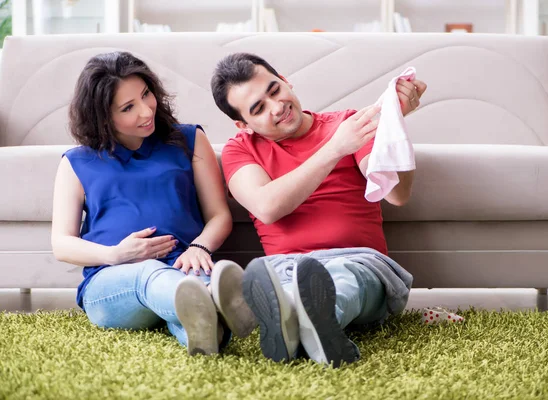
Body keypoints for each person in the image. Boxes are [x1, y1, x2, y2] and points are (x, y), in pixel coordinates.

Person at [211, 53, 424, 367]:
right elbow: (267, 207)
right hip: (285, 269)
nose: (277, 106)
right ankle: (303, 327)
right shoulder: (240, 149)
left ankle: (294, 320)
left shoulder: (348, 125)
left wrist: (394, 125)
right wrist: (335, 149)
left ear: (285, 80)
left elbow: (396, 194)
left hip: (361, 263)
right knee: (286, 283)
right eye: (258, 108)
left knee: (339, 278)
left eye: (274, 90)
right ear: (244, 124)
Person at [51, 51, 256, 356]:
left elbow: (218, 215)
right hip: (113, 283)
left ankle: (207, 329)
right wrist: (116, 254)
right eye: (128, 108)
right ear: (102, 116)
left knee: (194, 305)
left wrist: (198, 248)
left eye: (146, 94)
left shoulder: (188, 139)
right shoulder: (76, 162)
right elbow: (62, 244)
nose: (146, 111)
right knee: (150, 275)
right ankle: (213, 301)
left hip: (185, 267)